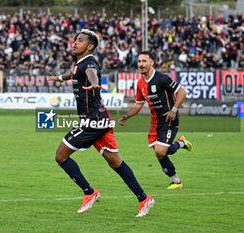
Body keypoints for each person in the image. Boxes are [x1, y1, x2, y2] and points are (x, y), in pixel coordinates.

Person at [49, 29, 154, 217]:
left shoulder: (89, 63)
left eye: (79, 40)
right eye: (75, 40)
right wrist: (58, 78)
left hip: (93, 121)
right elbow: (71, 73)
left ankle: (90, 192)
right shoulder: (78, 64)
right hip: (100, 119)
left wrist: (95, 83)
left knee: (61, 156)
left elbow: (91, 73)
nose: (74, 43)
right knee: (115, 162)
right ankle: (143, 198)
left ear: (89, 46)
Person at [118, 51, 193, 190]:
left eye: (144, 61)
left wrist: (174, 110)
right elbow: (139, 104)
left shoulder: (162, 79)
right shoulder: (140, 83)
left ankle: (182, 143)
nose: (141, 64)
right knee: (159, 153)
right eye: (139, 61)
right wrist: (127, 116)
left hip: (170, 119)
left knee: (161, 151)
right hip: (155, 122)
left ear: (151, 62)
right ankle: (176, 181)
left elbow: (182, 92)